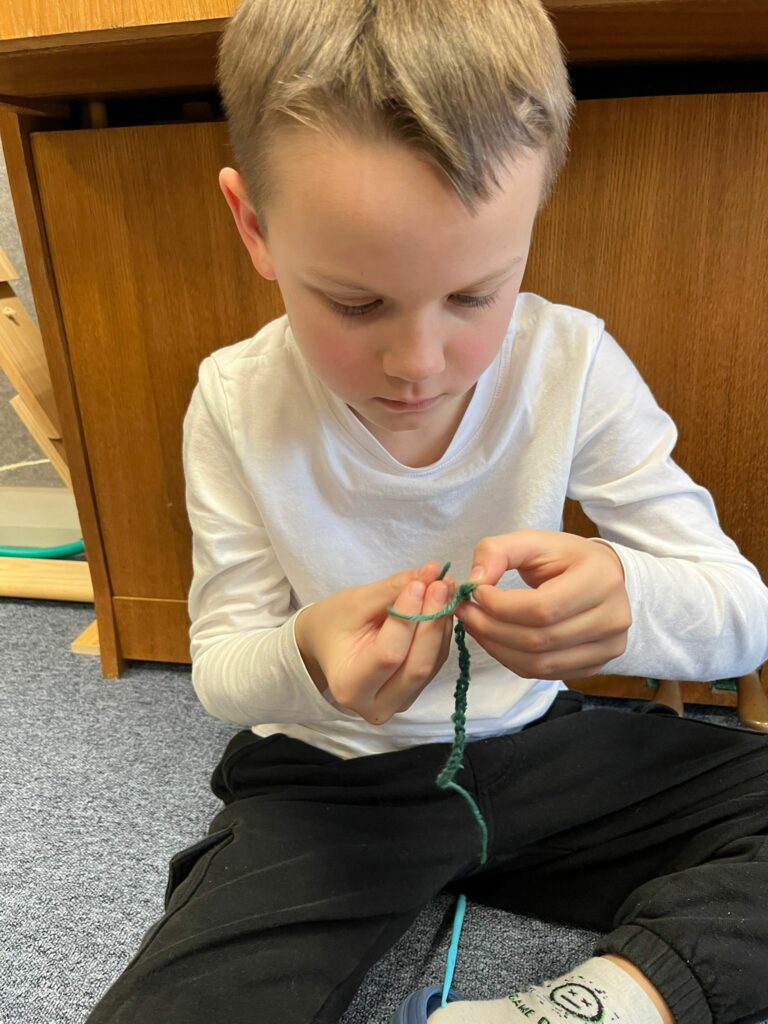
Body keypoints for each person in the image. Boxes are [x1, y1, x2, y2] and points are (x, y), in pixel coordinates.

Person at [86, 1, 768, 1023]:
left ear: (533, 218)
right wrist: (309, 653)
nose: (418, 364)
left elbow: (744, 613)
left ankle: (591, 1006)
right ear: (254, 226)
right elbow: (222, 666)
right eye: (355, 303)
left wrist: (630, 601)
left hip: (541, 748)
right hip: (330, 778)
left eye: (476, 295)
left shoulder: (573, 362)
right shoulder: (234, 398)